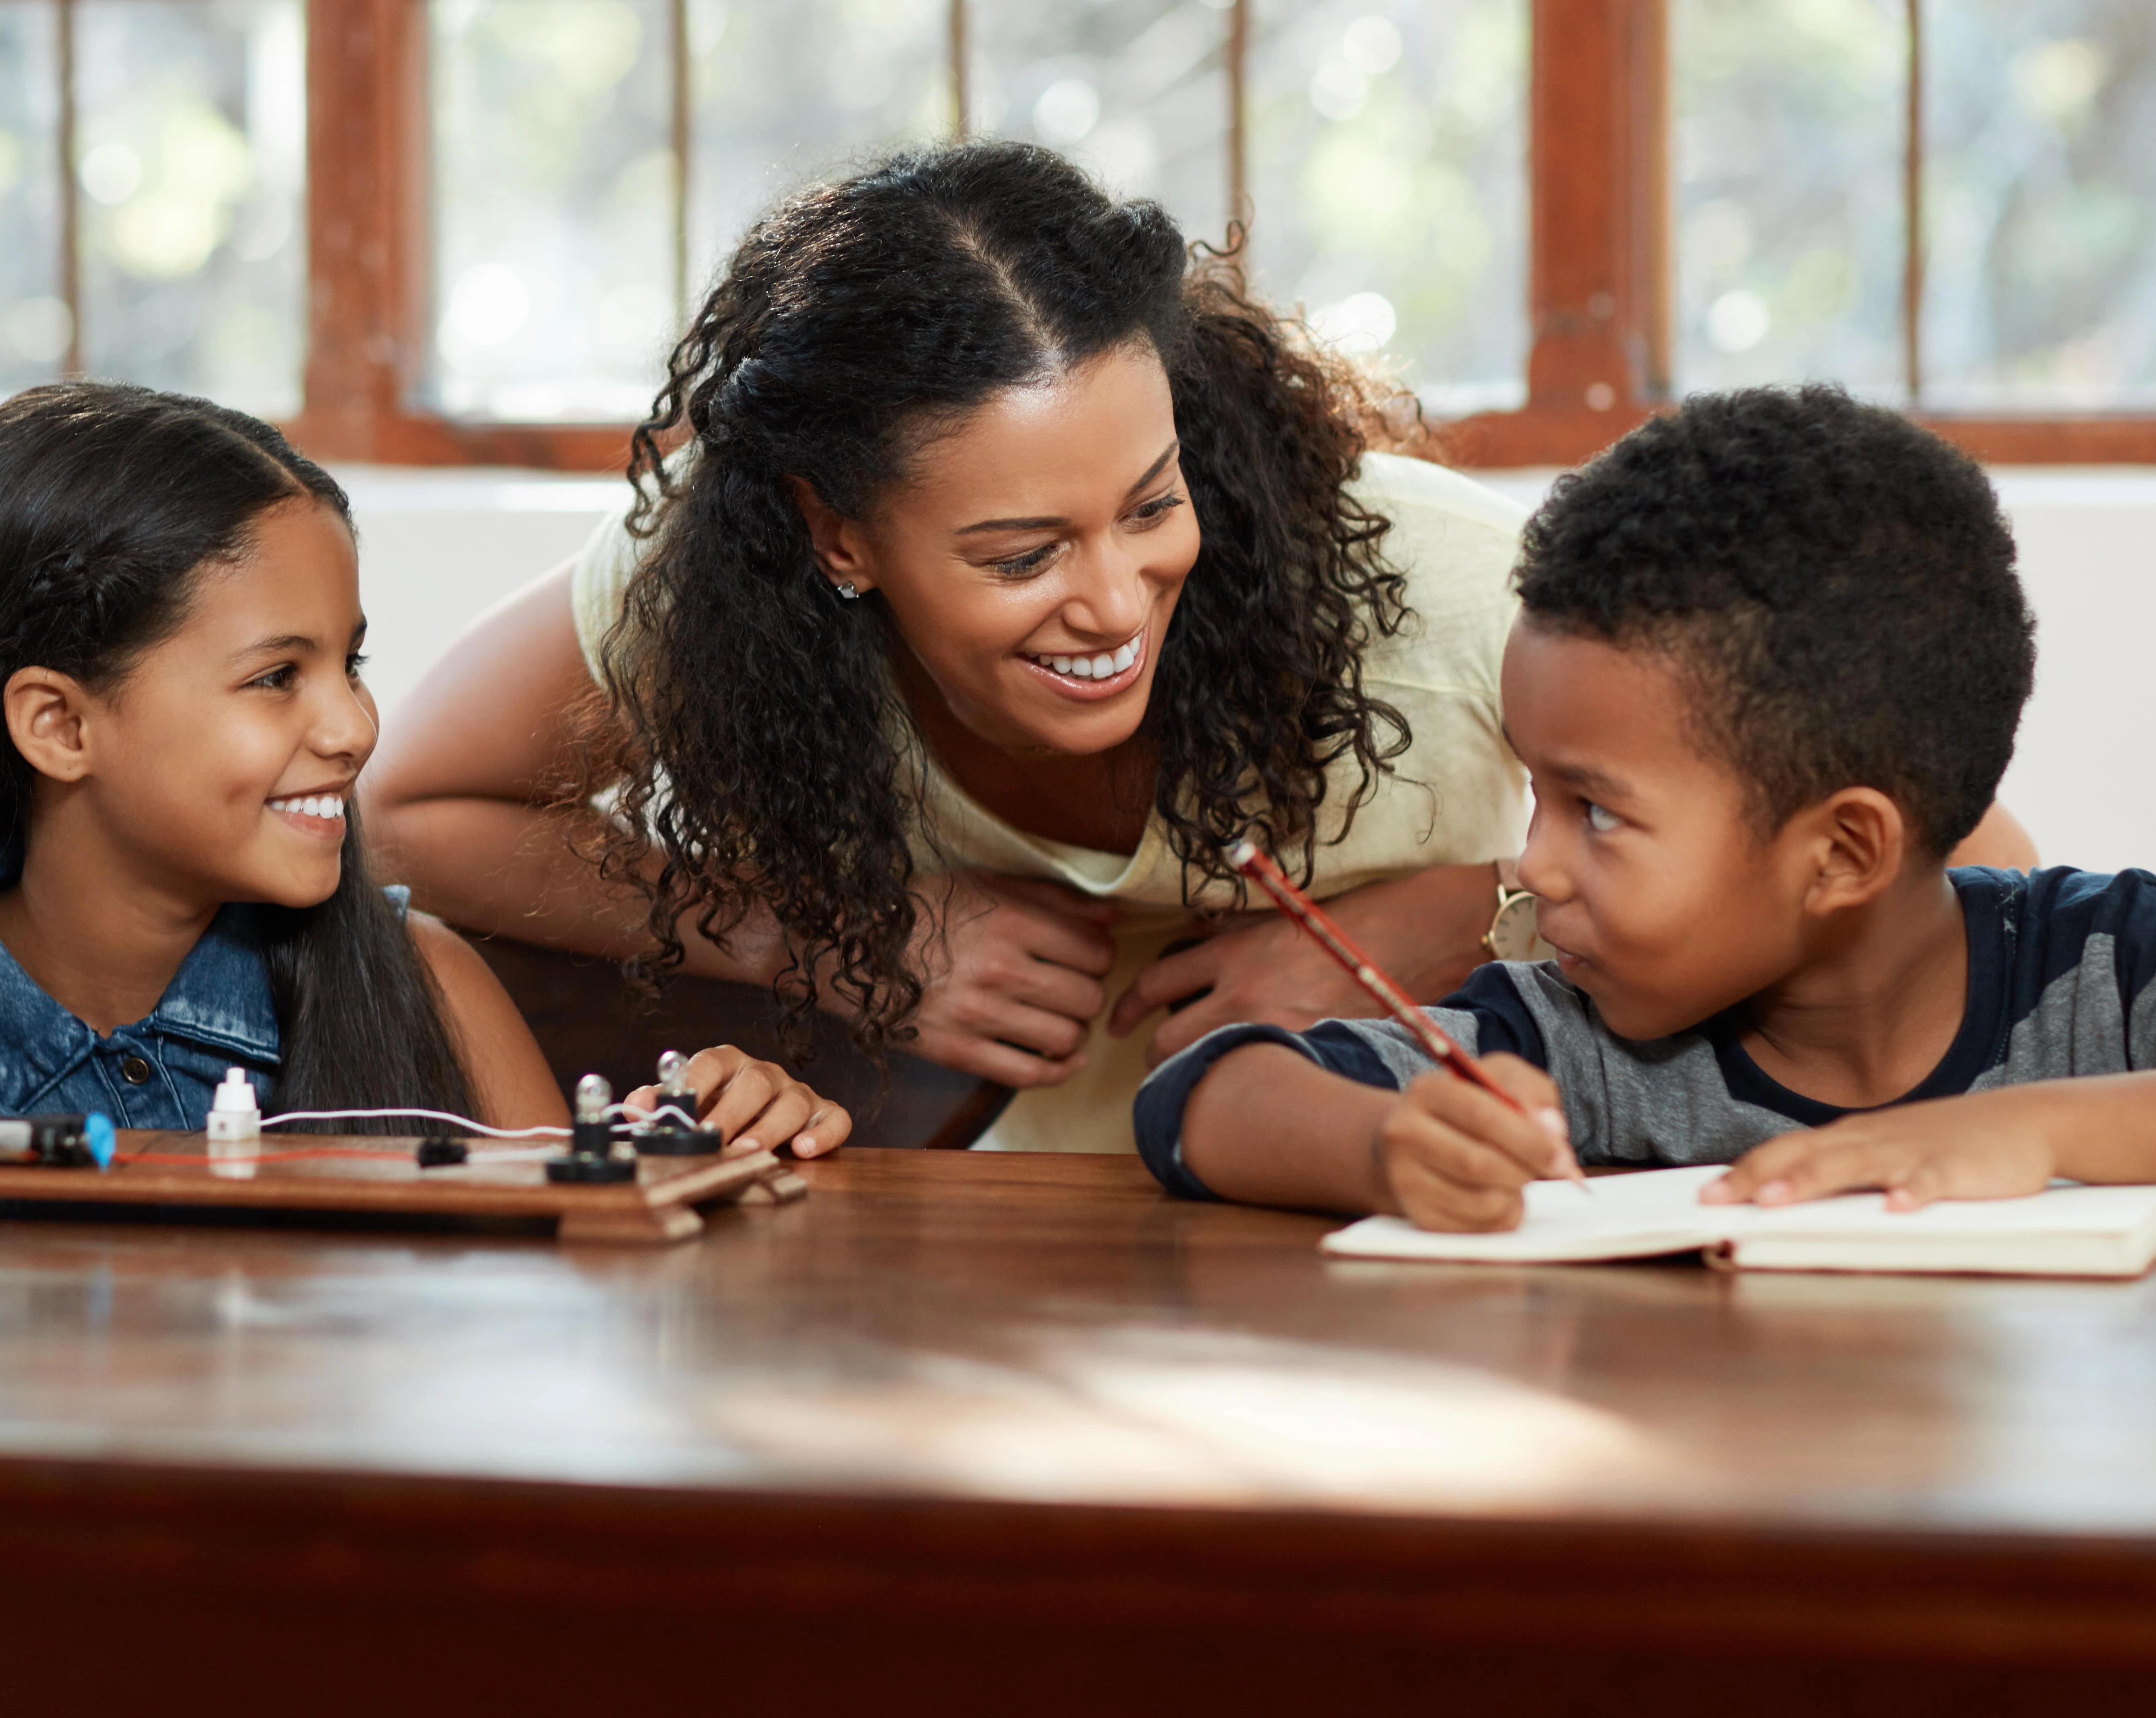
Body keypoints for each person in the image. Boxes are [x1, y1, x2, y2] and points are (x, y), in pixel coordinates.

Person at [367, 144, 2030, 1152]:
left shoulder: (1433, 578)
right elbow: (417, 815)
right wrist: (839, 930)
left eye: (1151, 504)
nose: (1112, 597)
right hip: (959, 1235)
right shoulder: (717, 573)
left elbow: (1951, 858)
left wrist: (1477, 912)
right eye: (1020, 554)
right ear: (833, 534)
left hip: (1384, 1208)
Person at [1136, 384, 2156, 1224]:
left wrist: (2029, 1132)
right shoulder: (1565, 1035)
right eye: (1537, 797)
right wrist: (1387, 1147)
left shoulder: (2104, 971)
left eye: (1594, 810)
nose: (1533, 867)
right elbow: (1200, 1098)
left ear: (1840, 850)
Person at [0, 382, 847, 1162]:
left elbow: (561, 1332)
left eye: (350, 662)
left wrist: (722, 1143)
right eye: (278, 676)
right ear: (57, 724)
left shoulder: (429, 990)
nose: (355, 725)